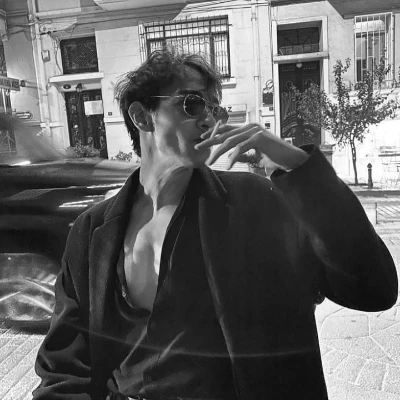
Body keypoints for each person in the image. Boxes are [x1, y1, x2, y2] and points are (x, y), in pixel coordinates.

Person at [33, 49, 398, 400]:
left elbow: (372, 288)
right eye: (192, 104)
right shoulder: (90, 233)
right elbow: (64, 367)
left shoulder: (256, 204)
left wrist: (299, 168)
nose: (209, 119)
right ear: (142, 117)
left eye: (214, 108)